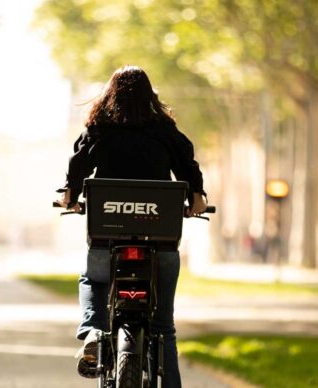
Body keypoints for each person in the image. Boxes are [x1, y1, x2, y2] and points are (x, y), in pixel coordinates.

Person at [56, 66, 208, 387]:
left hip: (107, 239)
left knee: (93, 278)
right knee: (163, 327)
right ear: (150, 96)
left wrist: (70, 196)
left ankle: (95, 329)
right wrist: (197, 198)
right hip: (161, 242)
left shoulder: (98, 129)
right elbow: (189, 168)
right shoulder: (167, 132)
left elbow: (77, 164)